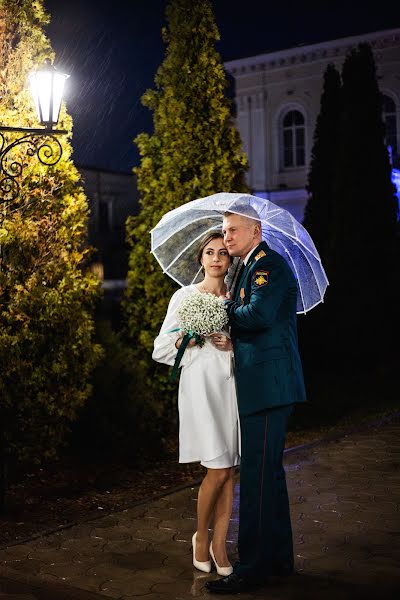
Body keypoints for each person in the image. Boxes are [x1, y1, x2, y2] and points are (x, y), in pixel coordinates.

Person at [206, 209, 307, 595]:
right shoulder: (250, 266)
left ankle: (250, 568)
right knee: (270, 477)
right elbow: (257, 323)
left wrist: (221, 307)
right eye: (225, 231)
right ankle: (278, 561)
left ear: (256, 231)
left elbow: (259, 314)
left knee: (257, 479)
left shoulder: (269, 266)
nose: (226, 238)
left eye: (234, 231)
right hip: (265, 385)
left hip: (267, 387)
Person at [152, 232, 240, 577]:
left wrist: (231, 343)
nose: (216, 258)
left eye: (222, 253)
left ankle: (221, 543)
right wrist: (188, 338)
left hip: (232, 388)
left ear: (230, 261)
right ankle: (200, 538)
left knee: (230, 469)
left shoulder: (237, 300)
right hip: (201, 389)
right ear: (200, 259)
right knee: (217, 468)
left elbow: (248, 346)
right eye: (209, 252)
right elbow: (161, 347)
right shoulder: (186, 296)